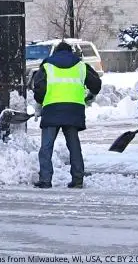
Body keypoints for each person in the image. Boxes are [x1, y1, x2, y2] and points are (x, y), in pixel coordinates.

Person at [31, 41, 102, 189]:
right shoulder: (81, 65)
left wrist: (39, 103)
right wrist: (90, 96)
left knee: (46, 146)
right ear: (71, 52)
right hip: (73, 110)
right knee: (74, 145)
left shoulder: (47, 65)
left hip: (52, 109)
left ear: (55, 52)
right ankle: (77, 179)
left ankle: (45, 179)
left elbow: (39, 86)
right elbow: (96, 83)